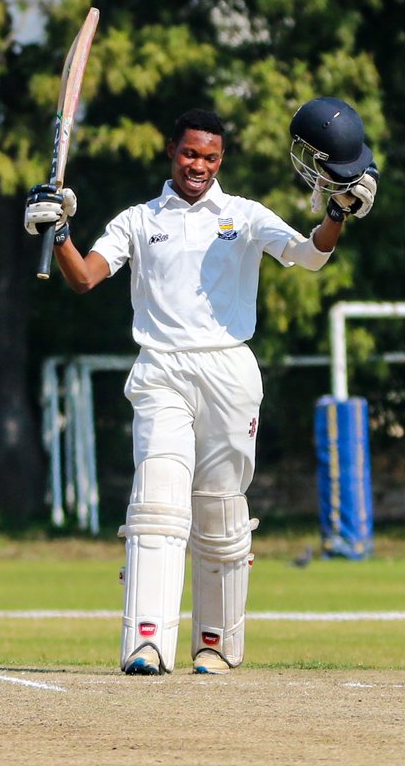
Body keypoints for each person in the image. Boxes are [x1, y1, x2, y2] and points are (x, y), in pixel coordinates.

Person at [24, 102, 378, 675]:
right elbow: (85, 277)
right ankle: (147, 642)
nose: (199, 165)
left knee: (218, 510)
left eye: (211, 157)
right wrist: (59, 232)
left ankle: (215, 644)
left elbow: (311, 256)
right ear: (172, 151)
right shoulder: (138, 220)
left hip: (229, 371)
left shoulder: (245, 215)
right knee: (158, 503)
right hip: (161, 369)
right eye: (190, 153)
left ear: (221, 159)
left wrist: (339, 211)